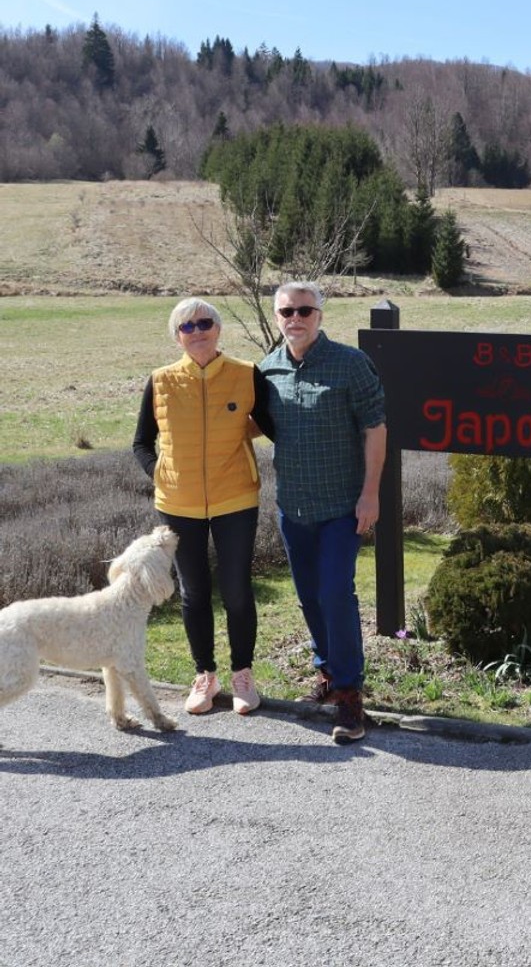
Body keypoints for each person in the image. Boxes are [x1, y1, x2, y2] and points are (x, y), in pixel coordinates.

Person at [133, 298, 274, 717]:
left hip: (236, 499)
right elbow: (141, 441)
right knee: (194, 592)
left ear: (219, 329)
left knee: (235, 589)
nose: (197, 331)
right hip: (178, 503)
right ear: (177, 336)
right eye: (187, 326)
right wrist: (159, 473)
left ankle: (243, 676)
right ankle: (204, 676)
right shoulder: (160, 380)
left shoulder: (247, 374)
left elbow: (270, 423)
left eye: (204, 322)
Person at [259, 281, 387, 744]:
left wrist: (370, 493)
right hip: (293, 506)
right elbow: (248, 422)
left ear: (320, 316)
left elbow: (376, 428)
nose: (295, 318)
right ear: (276, 317)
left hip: (342, 506)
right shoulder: (267, 370)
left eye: (304, 311)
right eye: (286, 311)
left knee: (335, 592)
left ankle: (351, 694)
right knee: (309, 595)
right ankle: (328, 673)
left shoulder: (351, 364)